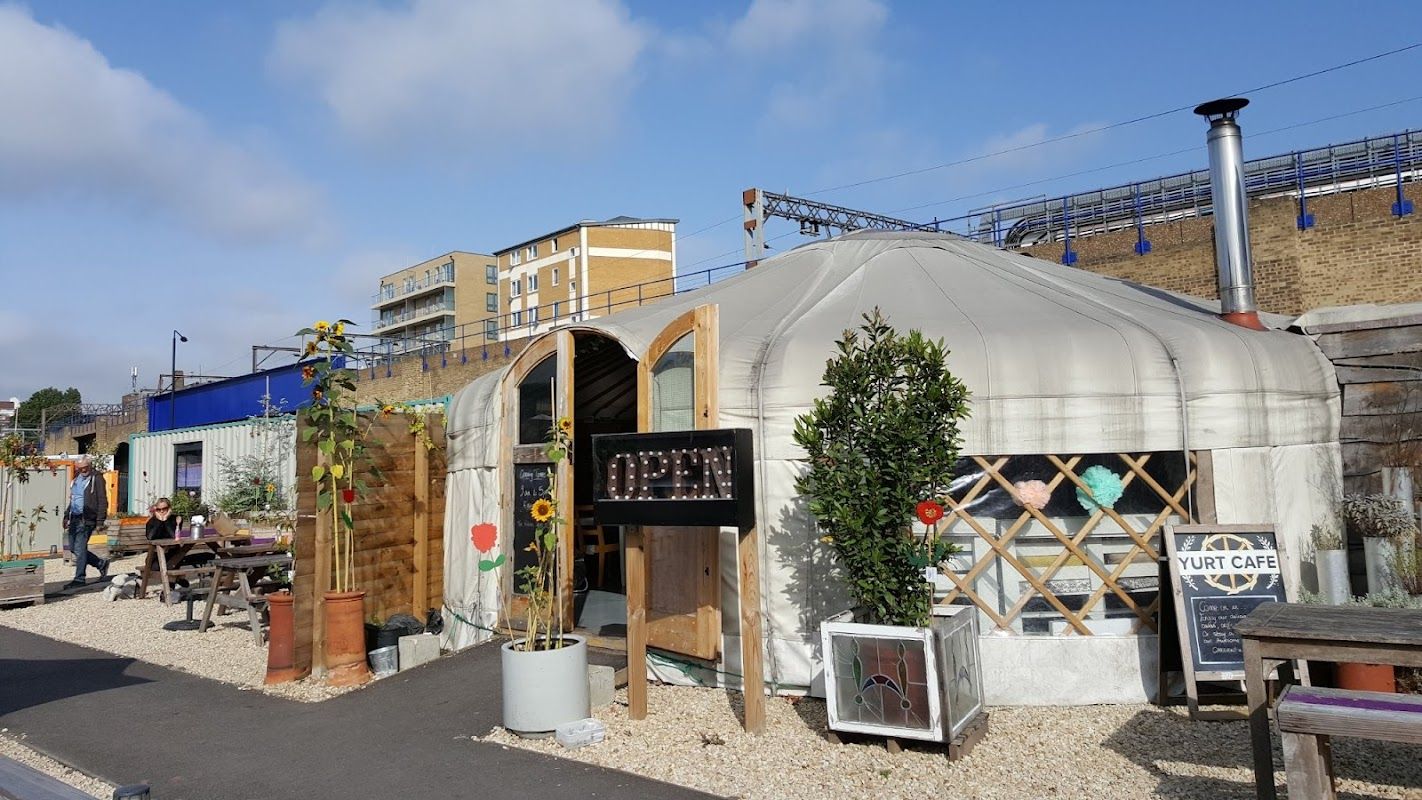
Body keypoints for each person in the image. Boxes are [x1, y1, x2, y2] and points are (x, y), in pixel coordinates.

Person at [62, 455, 109, 589]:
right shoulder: (76, 480)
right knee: (72, 547)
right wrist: (66, 515)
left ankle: (79, 578)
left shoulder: (97, 478)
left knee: (80, 548)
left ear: (90, 465)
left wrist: (100, 521)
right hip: (74, 518)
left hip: (87, 518)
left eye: (85, 468)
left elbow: (102, 500)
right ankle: (101, 564)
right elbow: (74, 500)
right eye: (80, 468)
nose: (83, 470)